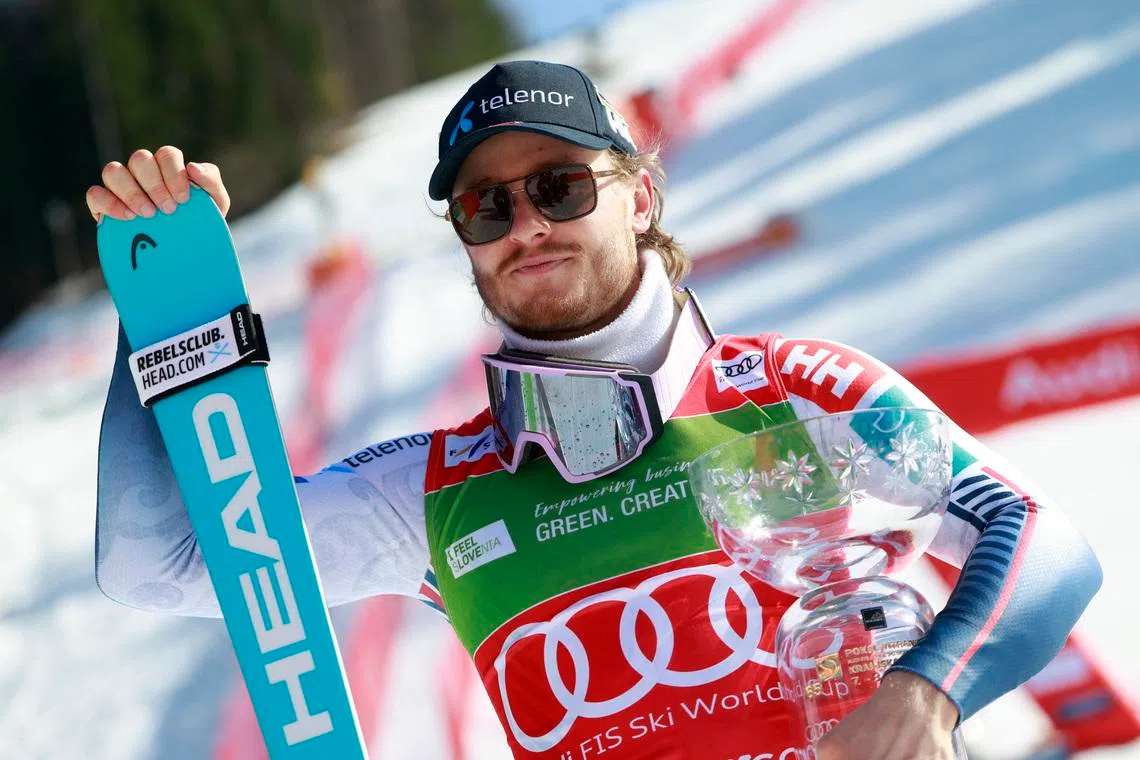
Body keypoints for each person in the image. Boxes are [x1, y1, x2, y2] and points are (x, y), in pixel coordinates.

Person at [89, 60, 1102, 760]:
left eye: (562, 185)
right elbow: (159, 564)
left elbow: (1047, 541)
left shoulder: (791, 390)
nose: (526, 223)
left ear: (641, 197)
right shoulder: (434, 490)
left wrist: (927, 689)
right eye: (488, 206)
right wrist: (168, 310)